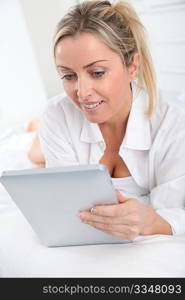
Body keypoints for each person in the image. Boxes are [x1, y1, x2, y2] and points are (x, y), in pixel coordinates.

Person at [38, 0, 185, 240]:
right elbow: (65, 205)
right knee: (36, 152)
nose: (82, 91)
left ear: (132, 66)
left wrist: (148, 220)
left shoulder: (175, 125)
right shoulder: (56, 114)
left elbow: (175, 212)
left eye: (97, 73)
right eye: (68, 75)